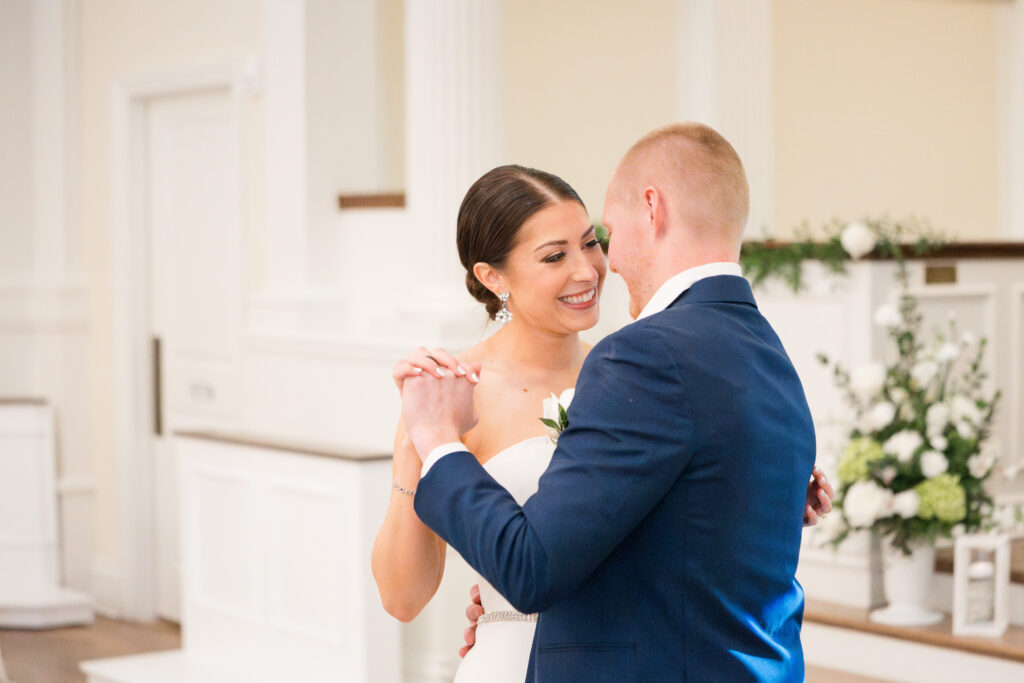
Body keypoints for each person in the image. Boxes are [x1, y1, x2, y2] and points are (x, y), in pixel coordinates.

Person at [375, 129, 832, 682]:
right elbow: (402, 599)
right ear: (493, 278)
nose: (589, 270)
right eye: (554, 256)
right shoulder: (447, 395)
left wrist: (755, 486)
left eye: (592, 241)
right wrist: (417, 447)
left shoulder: (630, 364)